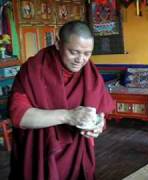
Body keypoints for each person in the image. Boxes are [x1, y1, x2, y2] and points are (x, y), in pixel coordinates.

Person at [8, 20, 115, 180]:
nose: (81, 59)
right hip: (41, 151)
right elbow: (19, 116)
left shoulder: (90, 73)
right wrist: (68, 116)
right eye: (74, 52)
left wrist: (98, 125)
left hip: (77, 152)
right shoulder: (34, 69)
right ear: (58, 44)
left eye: (87, 54)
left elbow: (99, 113)